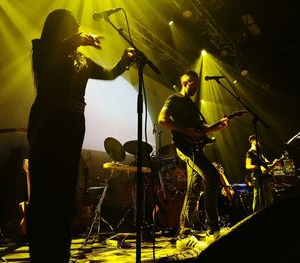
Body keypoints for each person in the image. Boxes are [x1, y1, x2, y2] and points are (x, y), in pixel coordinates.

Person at [27, 9, 136, 263]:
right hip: (47, 123)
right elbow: (51, 60)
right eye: (72, 25)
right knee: (45, 192)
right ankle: (41, 255)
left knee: (65, 192)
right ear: (58, 26)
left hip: (74, 124)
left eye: (77, 26)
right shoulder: (43, 48)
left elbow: (109, 74)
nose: (76, 29)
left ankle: (59, 254)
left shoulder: (81, 60)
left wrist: (125, 59)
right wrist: (78, 40)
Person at [158, 70, 228, 250]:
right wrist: (185, 131)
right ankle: (213, 229)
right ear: (184, 82)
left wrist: (216, 127)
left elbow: (199, 130)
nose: (195, 87)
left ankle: (184, 235)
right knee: (212, 176)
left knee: (194, 190)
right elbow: (162, 120)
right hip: (185, 149)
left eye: (197, 84)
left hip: (197, 148)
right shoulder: (174, 99)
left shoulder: (192, 105)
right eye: (192, 84)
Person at [245, 134, 279, 213]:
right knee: (258, 199)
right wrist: (258, 166)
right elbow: (247, 166)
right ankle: (255, 218)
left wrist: (274, 164)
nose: (260, 143)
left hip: (265, 179)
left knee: (269, 199)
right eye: (258, 141)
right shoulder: (250, 152)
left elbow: (267, 167)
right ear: (253, 141)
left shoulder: (260, 154)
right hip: (257, 178)